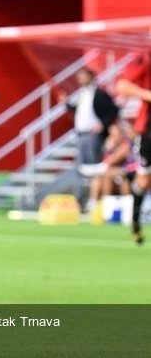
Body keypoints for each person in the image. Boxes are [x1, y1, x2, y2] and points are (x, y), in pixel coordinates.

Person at [62, 67, 119, 197]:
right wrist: (67, 104)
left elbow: (113, 110)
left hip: (93, 136)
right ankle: (80, 198)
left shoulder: (99, 94)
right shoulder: (82, 94)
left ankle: (95, 199)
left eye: (83, 76)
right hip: (81, 135)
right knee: (81, 169)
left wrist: (102, 125)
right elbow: (81, 113)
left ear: (91, 77)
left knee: (95, 169)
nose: (80, 79)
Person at [115, 52, 151, 245]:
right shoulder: (146, 59)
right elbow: (122, 85)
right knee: (144, 181)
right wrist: (148, 94)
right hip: (148, 132)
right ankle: (135, 223)